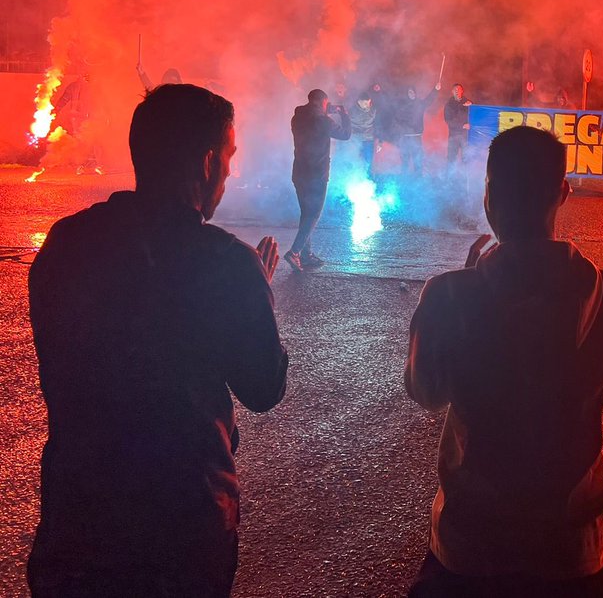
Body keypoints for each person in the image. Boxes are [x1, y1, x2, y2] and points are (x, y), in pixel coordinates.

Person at [26, 83, 288, 598]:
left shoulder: (66, 242)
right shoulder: (225, 261)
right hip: (182, 521)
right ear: (209, 161)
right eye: (230, 158)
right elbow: (263, 387)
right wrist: (255, 292)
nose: (230, 174)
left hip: (78, 514)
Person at [405, 126, 603, 597]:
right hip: (573, 548)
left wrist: (460, 293)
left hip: (472, 544)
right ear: (563, 193)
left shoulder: (449, 294)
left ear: (489, 194)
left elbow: (425, 391)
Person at [286, 88, 351, 272]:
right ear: (323, 102)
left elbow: (311, 113)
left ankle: (306, 255)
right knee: (313, 214)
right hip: (316, 174)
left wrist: (326, 109)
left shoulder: (297, 117)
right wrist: (344, 115)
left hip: (299, 173)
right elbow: (346, 134)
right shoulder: (324, 121)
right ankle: (295, 252)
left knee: (306, 213)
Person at [395, 83, 442, 175]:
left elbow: (429, 100)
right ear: (407, 93)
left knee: (417, 159)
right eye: (409, 92)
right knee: (405, 159)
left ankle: (418, 179)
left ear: (415, 93)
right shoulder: (403, 105)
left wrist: (435, 89)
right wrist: (401, 130)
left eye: (412, 92)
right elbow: (397, 120)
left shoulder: (420, 104)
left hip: (416, 137)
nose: (411, 94)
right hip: (405, 137)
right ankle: (404, 179)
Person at [349, 91, 379, 177]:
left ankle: (368, 180)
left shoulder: (373, 110)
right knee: (356, 161)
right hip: (355, 141)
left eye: (369, 103)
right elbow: (346, 125)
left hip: (368, 140)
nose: (367, 105)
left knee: (368, 162)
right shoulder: (351, 111)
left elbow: (378, 125)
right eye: (365, 103)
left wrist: (379, 139)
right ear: (359, 102)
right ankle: (355, 178)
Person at [443, 83, 471, 165]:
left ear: (462, 91)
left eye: (459, 89)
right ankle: (450, 176)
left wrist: (471, 106)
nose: (457, 91)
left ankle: (465, 176)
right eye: (455, 90)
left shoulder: (468, 103)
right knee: (451, 158)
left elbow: (474, 116)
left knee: (466, 158)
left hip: (465, 136)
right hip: (454, 135)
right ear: (452, 92)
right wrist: (462, 126)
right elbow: (448, 121)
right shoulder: (449, 105)